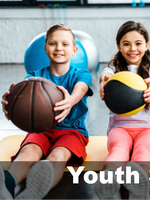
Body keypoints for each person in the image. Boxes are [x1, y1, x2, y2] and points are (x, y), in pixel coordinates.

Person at [0, 23, 93, 200]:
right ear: (45, 48)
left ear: (74, 50)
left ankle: (36, 191)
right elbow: (21, 100)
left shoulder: (81, 74)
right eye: (53, 43)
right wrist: (10, 106)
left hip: (72, 132)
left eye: (65, 44)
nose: (59, 48)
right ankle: (7, 185)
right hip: (41, 129)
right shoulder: (33, 78)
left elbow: (81, 88)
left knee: (58, 155)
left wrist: (71, 100)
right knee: (28, 152)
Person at [94, 21, 150, 200]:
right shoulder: (113, 71)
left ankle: (139, 188)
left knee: (143, 151)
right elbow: (106, 75)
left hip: (149, 129)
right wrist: (104, 81)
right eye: (126, 44)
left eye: (138, 43)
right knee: (118, 150)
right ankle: (108, 185)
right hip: (120, 127)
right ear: (119, 46)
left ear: (146, 45)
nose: (133, 49)